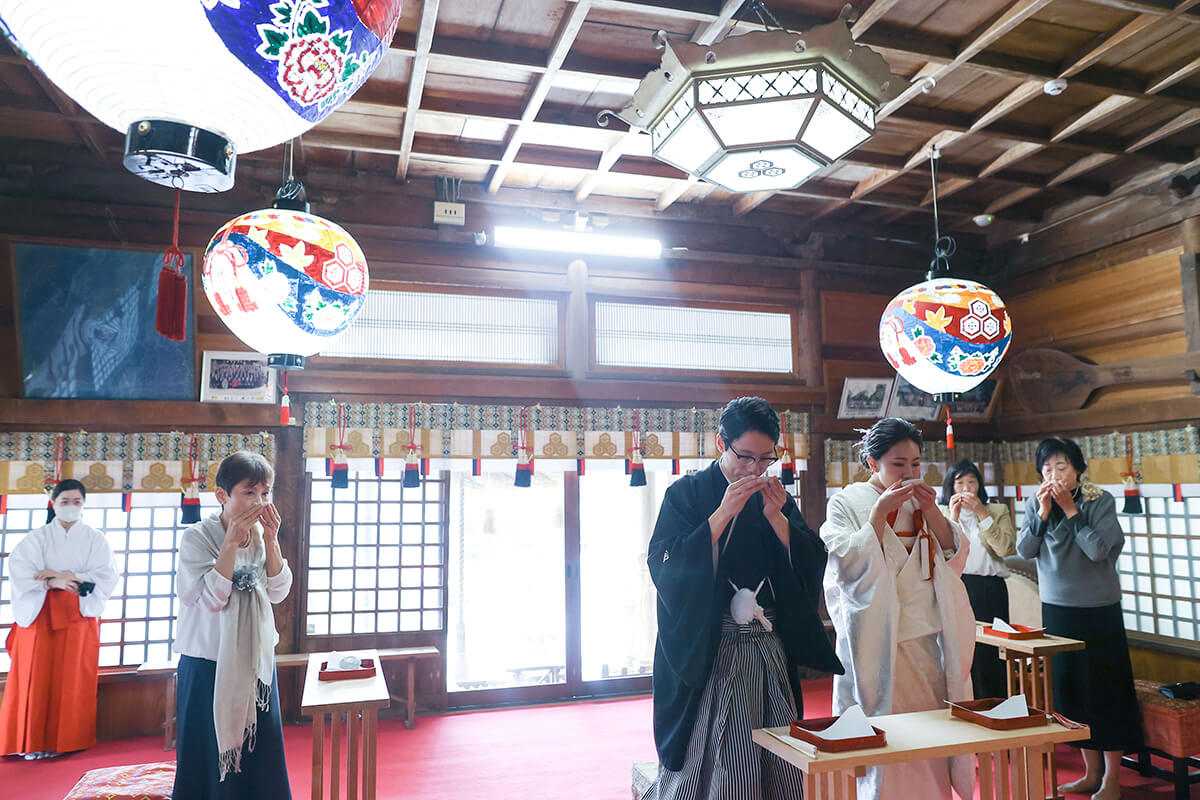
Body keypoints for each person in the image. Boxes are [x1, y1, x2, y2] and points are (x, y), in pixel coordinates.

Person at [643, 396, 843, 800]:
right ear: (721, 443)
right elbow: (663, 563)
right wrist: (720, 516)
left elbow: (812, 558)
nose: (755, 468)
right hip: (709, 648)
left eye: (766, 458)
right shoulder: (688, 493)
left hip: (767, 646)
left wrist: (778, 520)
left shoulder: (774, 495)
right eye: (745, 457)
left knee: (778, 745)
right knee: (715, 749)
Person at [821, 418, 975, 800]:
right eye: (898, 464)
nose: (909, 473)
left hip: (925, 642)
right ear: (873, 463)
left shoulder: (922, 503)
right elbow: (844, 564)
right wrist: (878, 514)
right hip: (873, 642)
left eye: (916, 464)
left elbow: (953, 558)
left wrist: (933, 513)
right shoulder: (848, 501)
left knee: (928, 740)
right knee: (883, 745)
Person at [1016, 437, 1141, 800]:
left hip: (1098, 610)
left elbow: (1098, 551)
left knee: (1106, 691)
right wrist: (1042, 514)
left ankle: (1112, 779)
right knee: (1071, 692)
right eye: (1047, 468)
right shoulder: (1034, 504)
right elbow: (1024, 550)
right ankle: (1090, 773)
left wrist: (1071, 510)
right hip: (1057, 609)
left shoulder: (1099, 500)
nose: (1053, 474)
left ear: (1077, 469)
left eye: (1061, 467)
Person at [172, 451, 293, 800]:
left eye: (265, 493)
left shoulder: (261, 535)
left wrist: (271, 540)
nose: (259, 502)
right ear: (222, 495)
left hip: (256, 658)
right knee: (208, 748)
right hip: (207, 659)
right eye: (249, 493)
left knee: (261, 747)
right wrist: (229, 545)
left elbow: (278, 590)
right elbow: (211, 599)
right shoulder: (197, 537)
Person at [0, 479, 118, 760]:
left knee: (73, 678)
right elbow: (21, 572)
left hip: (77, 613)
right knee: (35, 677)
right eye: (65, 501)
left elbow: (106, 576)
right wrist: (52, 582)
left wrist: (63, 576)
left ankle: (68, 739)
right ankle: (30, 742)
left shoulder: (95, 538)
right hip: (39, 613)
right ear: (53, 503)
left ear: (83, 505)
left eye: (77, 502)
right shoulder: (35, 538)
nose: (71, 507)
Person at [938, 458, 1017, 699]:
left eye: (971, 483)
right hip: (958, 586)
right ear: (950, 488)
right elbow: (941, 553)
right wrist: (954, 516)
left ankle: (996, 703)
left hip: (991, 588)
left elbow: (1005, 548)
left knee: (991, 650)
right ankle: (963, 702)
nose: (965, 489)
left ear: (979, 486)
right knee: (961, 648)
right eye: (959, 483)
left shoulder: (997, 510)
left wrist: (982, 513)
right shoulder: (940, 513)